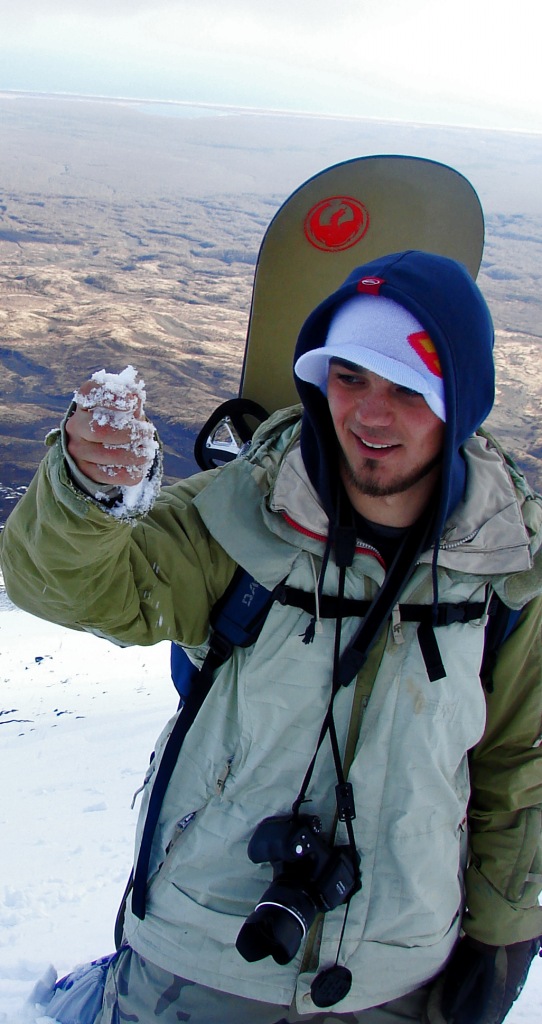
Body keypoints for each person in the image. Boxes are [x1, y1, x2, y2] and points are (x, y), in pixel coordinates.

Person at [1, 250, 541, 1024]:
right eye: (349, 377)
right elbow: (71, 585)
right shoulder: (239, 516)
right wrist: (86, 493)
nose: (371, 415)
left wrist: (503, 935)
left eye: (407, 388)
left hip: (399, 968)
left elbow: (519, 769)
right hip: (198, 951)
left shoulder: (511, 570)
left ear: (462, 398)